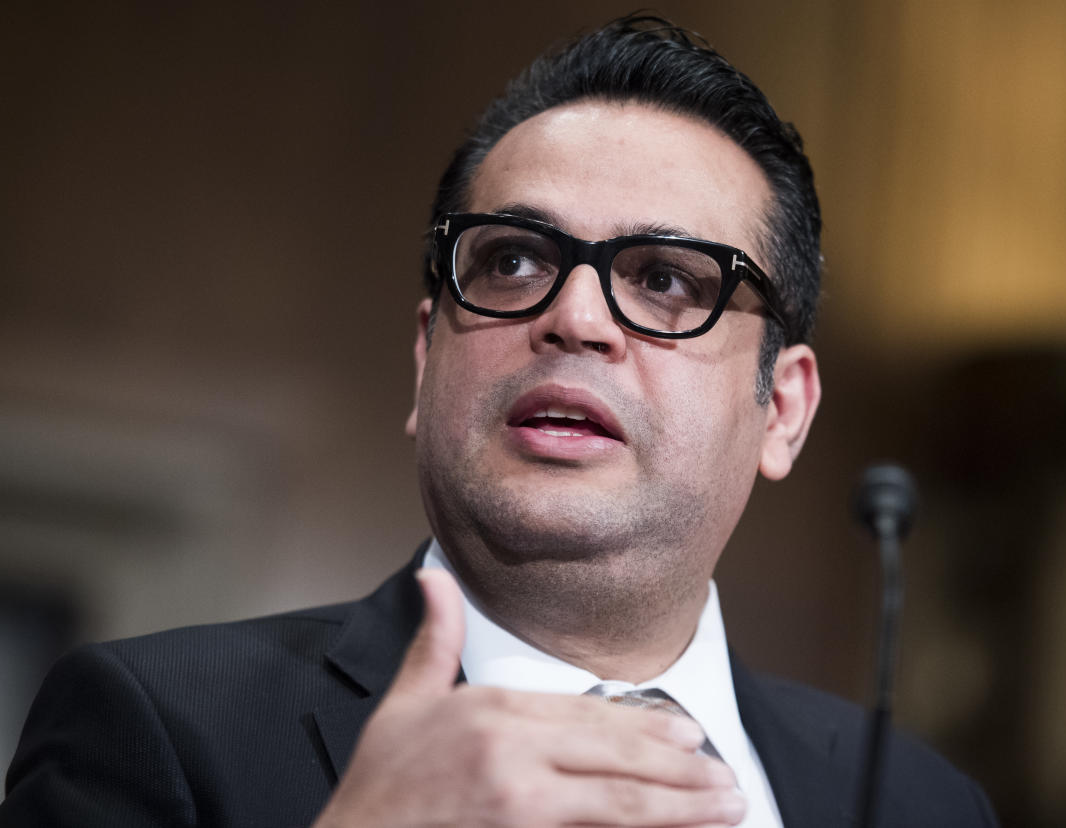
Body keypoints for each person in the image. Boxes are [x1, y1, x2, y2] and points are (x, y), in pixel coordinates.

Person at [1, 16, 997, 828]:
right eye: (513, 261)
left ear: (781, 409)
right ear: (429, 355)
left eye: (665, 280)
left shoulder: (919, 804)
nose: (574, 318)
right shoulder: (155, 731)